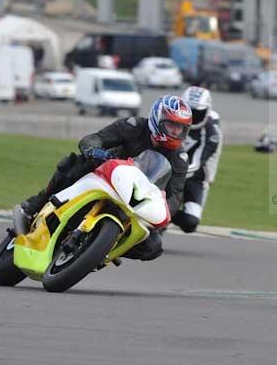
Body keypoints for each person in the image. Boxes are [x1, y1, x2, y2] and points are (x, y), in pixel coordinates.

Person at [12, 95, 193, 260]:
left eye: (180, 128)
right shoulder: (133, 126)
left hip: (136, 198)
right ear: (157, 118)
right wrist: (94, 151)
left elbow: (175, 195)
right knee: (75, 164)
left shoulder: (179, 158)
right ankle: (33, 206)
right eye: (171, 125)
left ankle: (106, 248)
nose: (176, 132)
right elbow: (94, 139)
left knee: (153, 247)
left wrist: (160, 217)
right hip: (107, 173)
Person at [172, 86, 222, 233]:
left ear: (207, 110)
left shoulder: (212, 135)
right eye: (188, 109)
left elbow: (199, 163)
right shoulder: (169, 120)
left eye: (197, 112)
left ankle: (167, 215)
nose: (192, 115)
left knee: (190, 223)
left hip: (195, 177)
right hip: (165, 169)